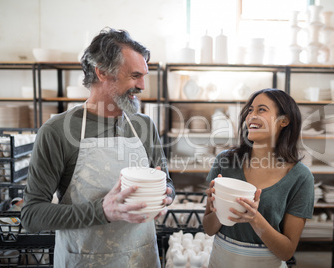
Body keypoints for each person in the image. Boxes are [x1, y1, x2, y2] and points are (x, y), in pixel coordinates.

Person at [21, 28, 175, 267]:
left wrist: (165, 196)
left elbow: (167, 182)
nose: (143, 86)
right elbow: (31, 215)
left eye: (144, 76)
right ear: (101, 71)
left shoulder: (144, 125)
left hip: (140, 258)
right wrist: (101, 211)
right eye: (135, 76)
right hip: (84, 260)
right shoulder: (57, 131)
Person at [203, 88, 314, 267]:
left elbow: (286, 252)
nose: (251, 116)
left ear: (284, 121)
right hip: (221, 259)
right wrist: (219, 208)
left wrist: (255, 219)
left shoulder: (300, 177)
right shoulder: (225, 161)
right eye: (250, 110)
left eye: (261, 110)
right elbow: (208, 229)